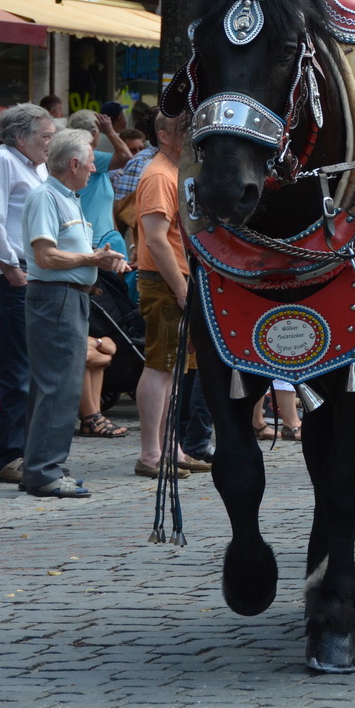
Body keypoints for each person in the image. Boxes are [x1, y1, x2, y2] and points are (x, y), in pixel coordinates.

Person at [19, 128, 129, 498]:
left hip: (70, 296)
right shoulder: (46, 197)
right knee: (58, 385)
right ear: (74, 163)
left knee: (59, 384)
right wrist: (91, 258)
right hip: (55, 297)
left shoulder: (68, 198)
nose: (95, 170)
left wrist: (100, 260)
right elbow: (45, 256)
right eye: (90, 163)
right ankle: (43, 470)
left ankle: (46, 465)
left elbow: (64, 253)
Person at [0, 102, 56, 485]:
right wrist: (10, 268)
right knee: (17, 369)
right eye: (45, 136)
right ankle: (8, 455)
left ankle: (28, 452)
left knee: (35, 368)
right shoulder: (1, 161)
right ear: (21, 136)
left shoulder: (32, 166)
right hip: (16, 276)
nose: (50, 143)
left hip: (35, 273)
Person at [133, 113, 208, 479]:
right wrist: (181, 289)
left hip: (174, 279)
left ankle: (168, 448)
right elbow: (156, 239)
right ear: (163, 136)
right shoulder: (160, 175)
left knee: (173, 370)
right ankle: (151, 454)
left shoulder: (173, 170)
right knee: (161, 367)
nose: (192, 136)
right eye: (184, 131)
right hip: (166, 281)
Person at [65, 110, 131, 255]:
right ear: (94, 133)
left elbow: (104, 204)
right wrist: (110, 132)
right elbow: (126, 156)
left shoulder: (93, 159)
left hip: (104, 240)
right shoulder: (90, 157)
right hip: (95, 243)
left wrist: (116, 235)